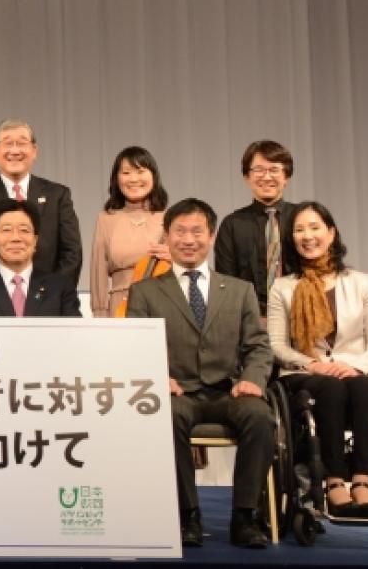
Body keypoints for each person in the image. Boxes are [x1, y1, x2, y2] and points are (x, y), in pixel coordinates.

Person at [126, 198, 273, 549]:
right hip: (177, 393)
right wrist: (153, 376)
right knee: (165, 417)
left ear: (210, 236)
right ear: (167, 236)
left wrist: (252, 377)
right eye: (180, 231)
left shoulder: (240, 290)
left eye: (197, 231)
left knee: (261, 417)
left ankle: (245, 516)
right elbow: (134, 347)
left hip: (228, 392)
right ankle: (187, 515)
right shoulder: (145, 292)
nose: (188, 239)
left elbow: (258, 346)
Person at [267, 201, 368, 518]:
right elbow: (277, 346)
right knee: (330, 389)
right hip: (303, 373)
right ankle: (334, 481)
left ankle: (363, 479)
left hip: (352, 371)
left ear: (331, 233)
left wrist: (353, 366)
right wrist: (312, 364)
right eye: (298, 229)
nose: (307, 235)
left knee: (364, 389)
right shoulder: (283, 287)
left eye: (314, 227)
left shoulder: (363, 283)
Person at [0, 118, 81, 285]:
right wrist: (0, 296)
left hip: (49, 301)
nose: (15, 150)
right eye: (8, 143)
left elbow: (72, 253)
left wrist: (52, 296)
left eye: (22, 143)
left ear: (34, 150)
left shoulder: (57, 195)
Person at [0, 199, 80, 317]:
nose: (16, 238)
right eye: (6, 230)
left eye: (24, 230)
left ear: (35, 240)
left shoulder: (60, 287)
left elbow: (74, 336)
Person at [214, 140, 296, 318]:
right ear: (246, 177)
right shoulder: (232, 224)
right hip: (250, 322)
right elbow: (226, 282)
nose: (266, 177)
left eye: (274, 169)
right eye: (258, 170)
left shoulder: (302, 218)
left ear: (286, 177)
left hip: (300, 317)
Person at [88, 146, 170, 317]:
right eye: (126, 173)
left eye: (140, 171)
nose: (133, 179)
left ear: (153, 176)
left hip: (160, 303)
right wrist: (100, 315)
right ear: (116, 179)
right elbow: (98, 272)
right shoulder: (106, 219)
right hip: (119, 306)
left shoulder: (168, 218)